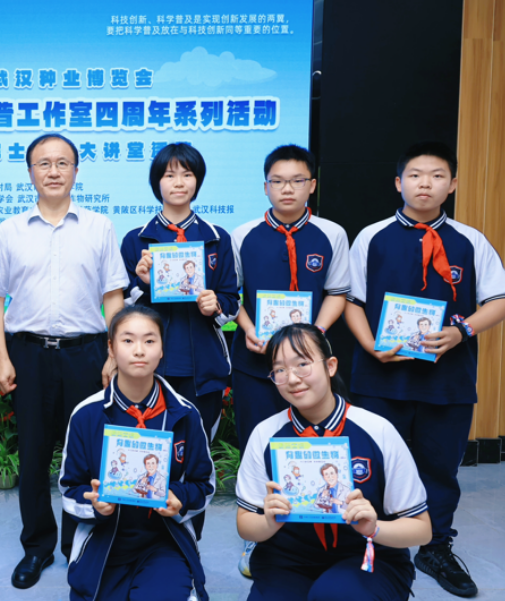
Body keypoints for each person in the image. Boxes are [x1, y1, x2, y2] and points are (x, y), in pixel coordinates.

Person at [344, 141, 505, 598]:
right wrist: (371, 346)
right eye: (415, 175)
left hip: (447, 380)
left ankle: (434, 548)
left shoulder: (471, 241)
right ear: (399, 183)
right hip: (380, 377)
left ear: (452, 185)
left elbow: (498, 300)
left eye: (437, 176)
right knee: (371, 464)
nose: (425, 184)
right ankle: (371, 543)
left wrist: (462, 331)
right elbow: (352, 300)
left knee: (439, 468)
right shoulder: (372, 236)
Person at [0, 133, 129, 588]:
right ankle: (37, 546)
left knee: (84, 453)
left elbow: (113, 296)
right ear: (30, 172)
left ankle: (78, 543)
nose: (53, 171)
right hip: (28, 353)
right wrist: (2, 359)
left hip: (86, 353)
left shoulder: (99, 226)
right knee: (33, 454)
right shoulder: (9, 230)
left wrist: (114, 353)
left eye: (62, 163)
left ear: (76, 171)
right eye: (43, 163)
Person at [237, 324, 432, 601]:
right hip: (286, 561)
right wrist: (268, 522)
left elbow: (422, 530)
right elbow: (245, 522)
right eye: (279, 369)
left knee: (334, 594)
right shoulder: (265, 434)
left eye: (302, 364)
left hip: (367, 556)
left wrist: (374, 528)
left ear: (330, 366)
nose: (292, 378)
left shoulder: (377, 430)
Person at [230, 145, 350, 576]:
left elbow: (338, 292)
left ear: (311, 185)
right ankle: (257, 535)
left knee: (316, 444)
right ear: (265, 187)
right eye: (278, 181)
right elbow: (231, 295)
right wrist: (248, 328)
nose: (287, 189)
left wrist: (313, 335)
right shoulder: (242, 235)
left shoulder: (332, 234)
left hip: (309, 367)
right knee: (258, 444)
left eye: (297, 180)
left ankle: (316, 530)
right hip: (256, 364)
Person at [120, 142, 238, 539]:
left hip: (203, 369)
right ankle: (142, 544)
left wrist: (214, 305)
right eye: (169, 174)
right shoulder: (136, 240)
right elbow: (122, 308)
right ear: (157, 182)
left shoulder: (217, 238)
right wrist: (142, 282)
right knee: (145, 456)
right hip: (148, 367)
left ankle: (189, 545)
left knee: (194, 461)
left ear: (198, 181)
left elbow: (232, 303)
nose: (178, 182)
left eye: (187, 174)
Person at [59, 305, 214, 601]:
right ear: (111, 348)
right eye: (128, 340)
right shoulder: (86, 415)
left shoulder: (185, 414)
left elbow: (204, 485)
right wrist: (95, 504)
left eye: (150, 340)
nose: (139, 350)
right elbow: (69, 490)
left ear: (162, 349)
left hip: (165, 541)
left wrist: (179, 497)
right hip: (104, 542)